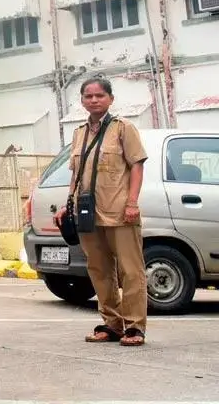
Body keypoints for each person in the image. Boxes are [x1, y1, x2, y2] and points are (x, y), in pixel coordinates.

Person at [54, 76, 149, 347]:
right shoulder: (79, 133)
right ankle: (111, 324)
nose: (94, 100)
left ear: (110, 99)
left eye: (99, 96)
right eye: (88, 96)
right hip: (88, 214)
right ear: (82, 101)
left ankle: (134, 327)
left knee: (131, 271)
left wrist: (132, 203)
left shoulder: (123, 128)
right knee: (99, 269)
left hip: (120, 211)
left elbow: (137, 167)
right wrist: (67, 204)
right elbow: (77, 174)